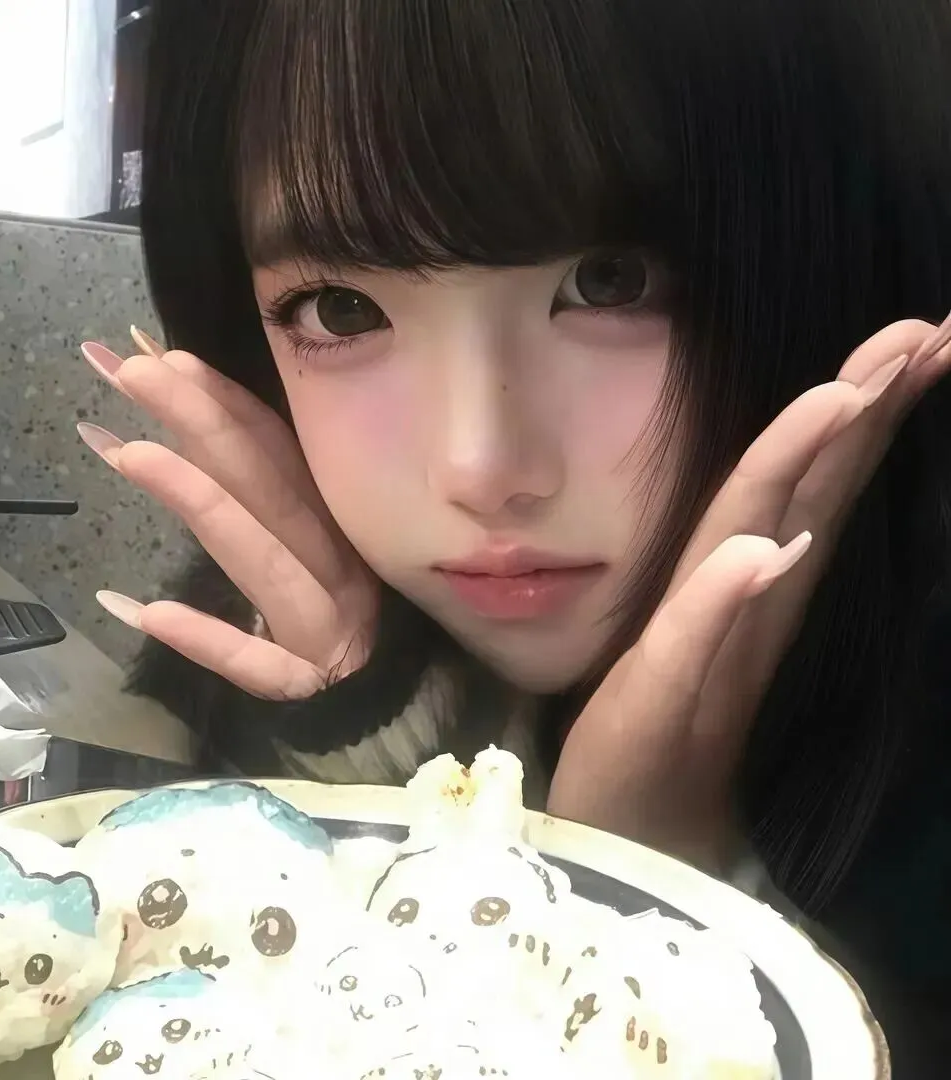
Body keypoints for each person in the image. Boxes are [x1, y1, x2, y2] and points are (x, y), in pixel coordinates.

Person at [77, 0, 951, 1071]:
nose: (480, 469)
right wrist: (397, 786)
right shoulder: (255, 666)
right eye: (340, 310)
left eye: (610, 282)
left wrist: (664, 891)